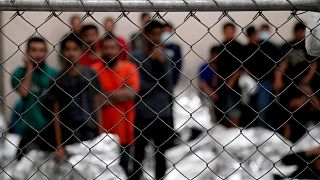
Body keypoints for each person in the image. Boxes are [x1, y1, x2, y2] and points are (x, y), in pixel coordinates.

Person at [130, 20, 175, 180]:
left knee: (161, 154)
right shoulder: (136, 56)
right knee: (139, 154)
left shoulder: (166, 56)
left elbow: (169, 84)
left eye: (159, 34)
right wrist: (157, 85)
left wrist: (160, 63)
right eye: (153, 34)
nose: (156, 38)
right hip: (143, 112)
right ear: (146, 35)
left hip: (162, 112)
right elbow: (137, 86)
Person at [49, 34, 103, 163]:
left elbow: (97, 104)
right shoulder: (58, 80)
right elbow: (56, 114)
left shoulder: (90, 74)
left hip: (91, 132)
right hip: (69, 135)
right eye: (67, 49)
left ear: (81, 51)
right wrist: (59, 145)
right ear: (62, 52)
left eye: (75, 49)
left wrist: (101, 134)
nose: (71, 53)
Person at [11, 37, 58, 159]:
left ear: (46, 52)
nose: (38, 54)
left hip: (50, 131)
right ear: (27, 53)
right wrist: (30, 68)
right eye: (34, 50)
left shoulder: (54, 74)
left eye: (41, 50)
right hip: (29, 131)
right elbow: (24, 92)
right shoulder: (19, 73)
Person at [244, 26, 280, 128]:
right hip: (252, 82)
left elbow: (279, 63)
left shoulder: (268, 46)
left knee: (262, 106)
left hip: (266, 81)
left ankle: (261, 129)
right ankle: (255, 129)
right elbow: (245, 65)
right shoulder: (248, 48)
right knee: (253, 106)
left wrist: (278, 78)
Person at [216, 22, 245, 127]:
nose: (228, 32)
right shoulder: (221, 47)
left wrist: (232, 80)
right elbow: (217, 66)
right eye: (226, 30)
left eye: (230, 30)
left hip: (234, 84)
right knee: (224, 109)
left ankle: (234, 131)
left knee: (234, 108)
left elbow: (241, 66)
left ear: (234, 31)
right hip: (222, 82)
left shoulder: (239, 47)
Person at [198, 46, 220, 122]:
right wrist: (213, 94)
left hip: (218, 92)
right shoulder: (204, 67)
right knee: (209, 105)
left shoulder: (220, 67)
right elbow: (202, 84)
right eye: (214, 55)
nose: (216, 57)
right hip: (207, 93)